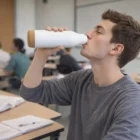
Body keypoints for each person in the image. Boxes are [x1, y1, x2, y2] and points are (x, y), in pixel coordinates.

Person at [20, 9, 140, 140]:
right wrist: (41, 54)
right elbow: (31, 92)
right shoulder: (80, 80)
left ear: (116, 49)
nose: (88, 34)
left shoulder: (132, 100)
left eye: (99, 31)